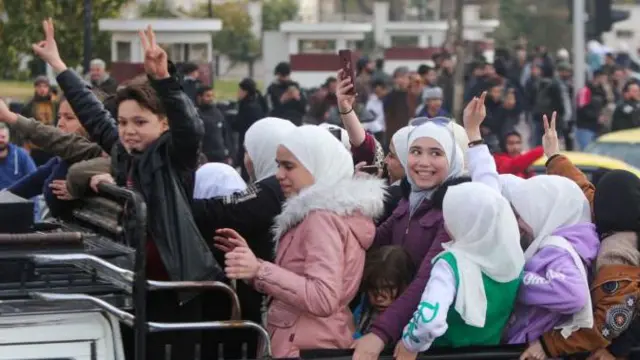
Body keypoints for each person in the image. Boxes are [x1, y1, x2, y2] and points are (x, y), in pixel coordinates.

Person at [31, 19, 221, 359]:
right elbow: (91, 112)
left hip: (176, 287)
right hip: (135, 282)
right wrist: (59, 65)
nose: (129, 131)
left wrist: (165, 81)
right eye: (122, 122)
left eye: (140, 122)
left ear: (163, 125)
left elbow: (190, 128)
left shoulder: (171, 157)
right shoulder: (122, 150)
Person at [214, 125, 386, 358]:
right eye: (278, 165)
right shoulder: (326, 214)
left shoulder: (321, 218)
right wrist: (252, 268)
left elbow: (323, 297)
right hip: (311, 340)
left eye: (288, 166)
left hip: (305, 346)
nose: (278, 174)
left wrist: (260, 269)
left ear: (318, 165)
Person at [352, 120, 465, 360]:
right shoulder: (410, 200)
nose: (423, 162)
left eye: (435, 153)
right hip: (397, 326)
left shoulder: (452, 211)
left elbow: (426, 279)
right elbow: (370, 242)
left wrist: (381, 332)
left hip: (424, 340)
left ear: (453, 159)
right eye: (415, 152)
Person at [192, 117, 294, 359]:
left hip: (269, 302)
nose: (245, 159)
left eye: (248, 151)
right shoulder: (277, 186)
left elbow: (221, 212)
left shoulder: (272, 188)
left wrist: (168, 195)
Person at [395, 182, 524, 360]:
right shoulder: (514, 261)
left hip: (445, 354)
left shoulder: (450, 263)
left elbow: (428, 321)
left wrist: (409, 344)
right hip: (490, 353)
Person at [526, 170, 640, 360]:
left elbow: (611, 321)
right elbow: (586, 190)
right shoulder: (623, 221)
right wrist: (555, 158)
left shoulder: (615, 252)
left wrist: (548, 345)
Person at [506, 175, 599, 345]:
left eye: (521, 214)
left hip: (532, 344)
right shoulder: (569, 242)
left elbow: (574, 296)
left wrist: (516, 281)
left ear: (543, 211)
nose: (518, 222)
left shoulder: (557, 249)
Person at [354, 246, 416, 339]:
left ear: (405, 286)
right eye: (373, 288)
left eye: (388, 288)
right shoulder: (363, 309)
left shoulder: (413, 324)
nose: (379, 298)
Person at [233, 78, 268, 180]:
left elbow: (240, 124)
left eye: (240, 90)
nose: (238, 93)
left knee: (246, 172)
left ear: (245, 91)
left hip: (247, 143)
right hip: (255, 143)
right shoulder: (258, 101)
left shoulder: (248, 106)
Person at [20, 75, 59, 165]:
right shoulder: (29, 106)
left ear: (48, 88)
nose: (42, 89)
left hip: (52, 143)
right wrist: (26, 144)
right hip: (35, 145)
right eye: (39, 86)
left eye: (45, 86)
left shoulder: (55, 104)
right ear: (35, 88)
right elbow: (24, 126)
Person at [196, 85, 231, 163]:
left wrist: (228, 152)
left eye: (212, 96)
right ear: (199, 98)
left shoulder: (218, 113)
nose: (211, 98)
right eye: (208, 96)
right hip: (205, 158)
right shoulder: (195, 115)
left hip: (220, 156)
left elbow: (225, 133)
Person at [0, 123, 36, 190]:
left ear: (9, 137)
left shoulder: (21, 154)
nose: (0, 140)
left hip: (17, 198)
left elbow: (34, 179)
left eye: (3, 137)